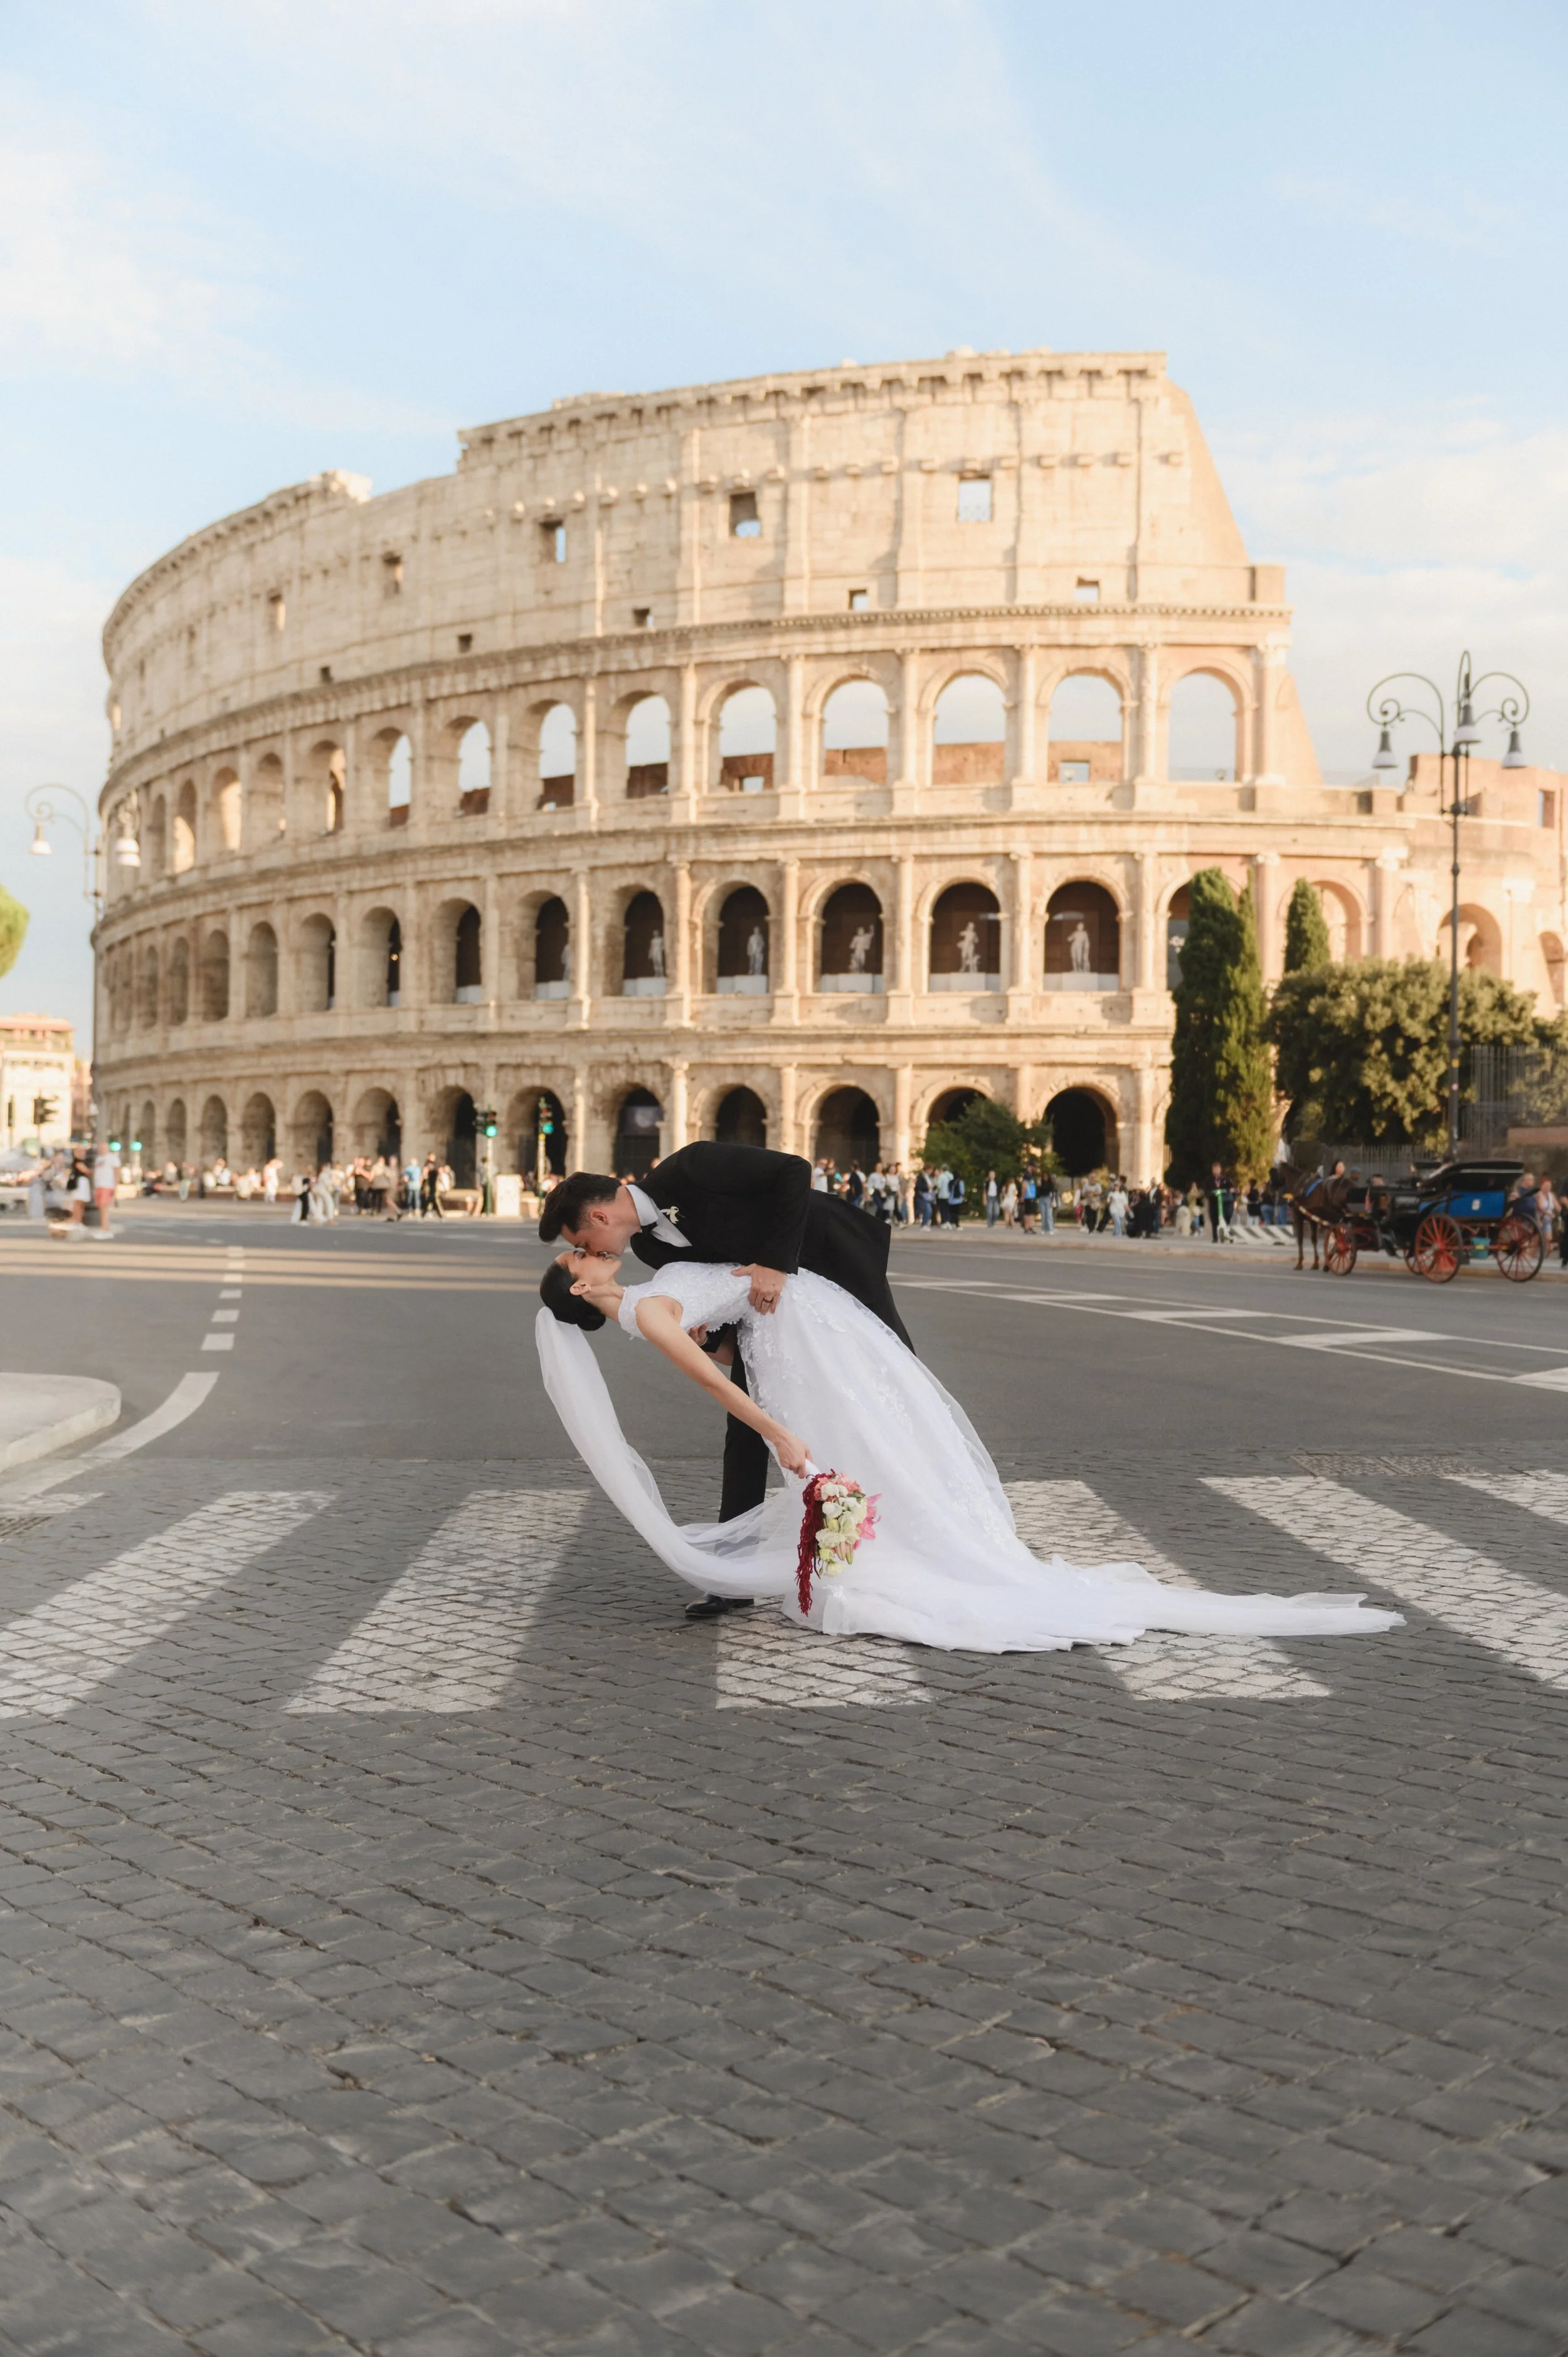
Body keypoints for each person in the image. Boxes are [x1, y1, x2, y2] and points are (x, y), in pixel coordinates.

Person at [536, 1250, 1405, 1655]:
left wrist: (749, 1362)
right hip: (808, 1338)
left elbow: (722, 1352)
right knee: (883, 1437)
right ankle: (934, 1546)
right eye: (577, 1255)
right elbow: (716, 1385)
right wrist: (779, 1434)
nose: (587, 1248)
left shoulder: (650, 1302)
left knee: (889, 1436)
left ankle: (927, 1537)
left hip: (801, 1332)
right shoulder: (647, 1312)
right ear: (583, 1286)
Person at [539, 1144, 911, 1619]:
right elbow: (718, 1281)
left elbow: (793, 1171)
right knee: (744, 1438)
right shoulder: (651, 1247)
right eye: (582, 1255)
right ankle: (734, 1579)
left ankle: (920, 1522)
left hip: (828, 1257)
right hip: (771, 1321)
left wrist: (776, 1263)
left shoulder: (689, 1168)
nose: (590, 1252)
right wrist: (706, 1333)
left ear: (597, 1215)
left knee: (901, 1381)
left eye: (583, 1242)